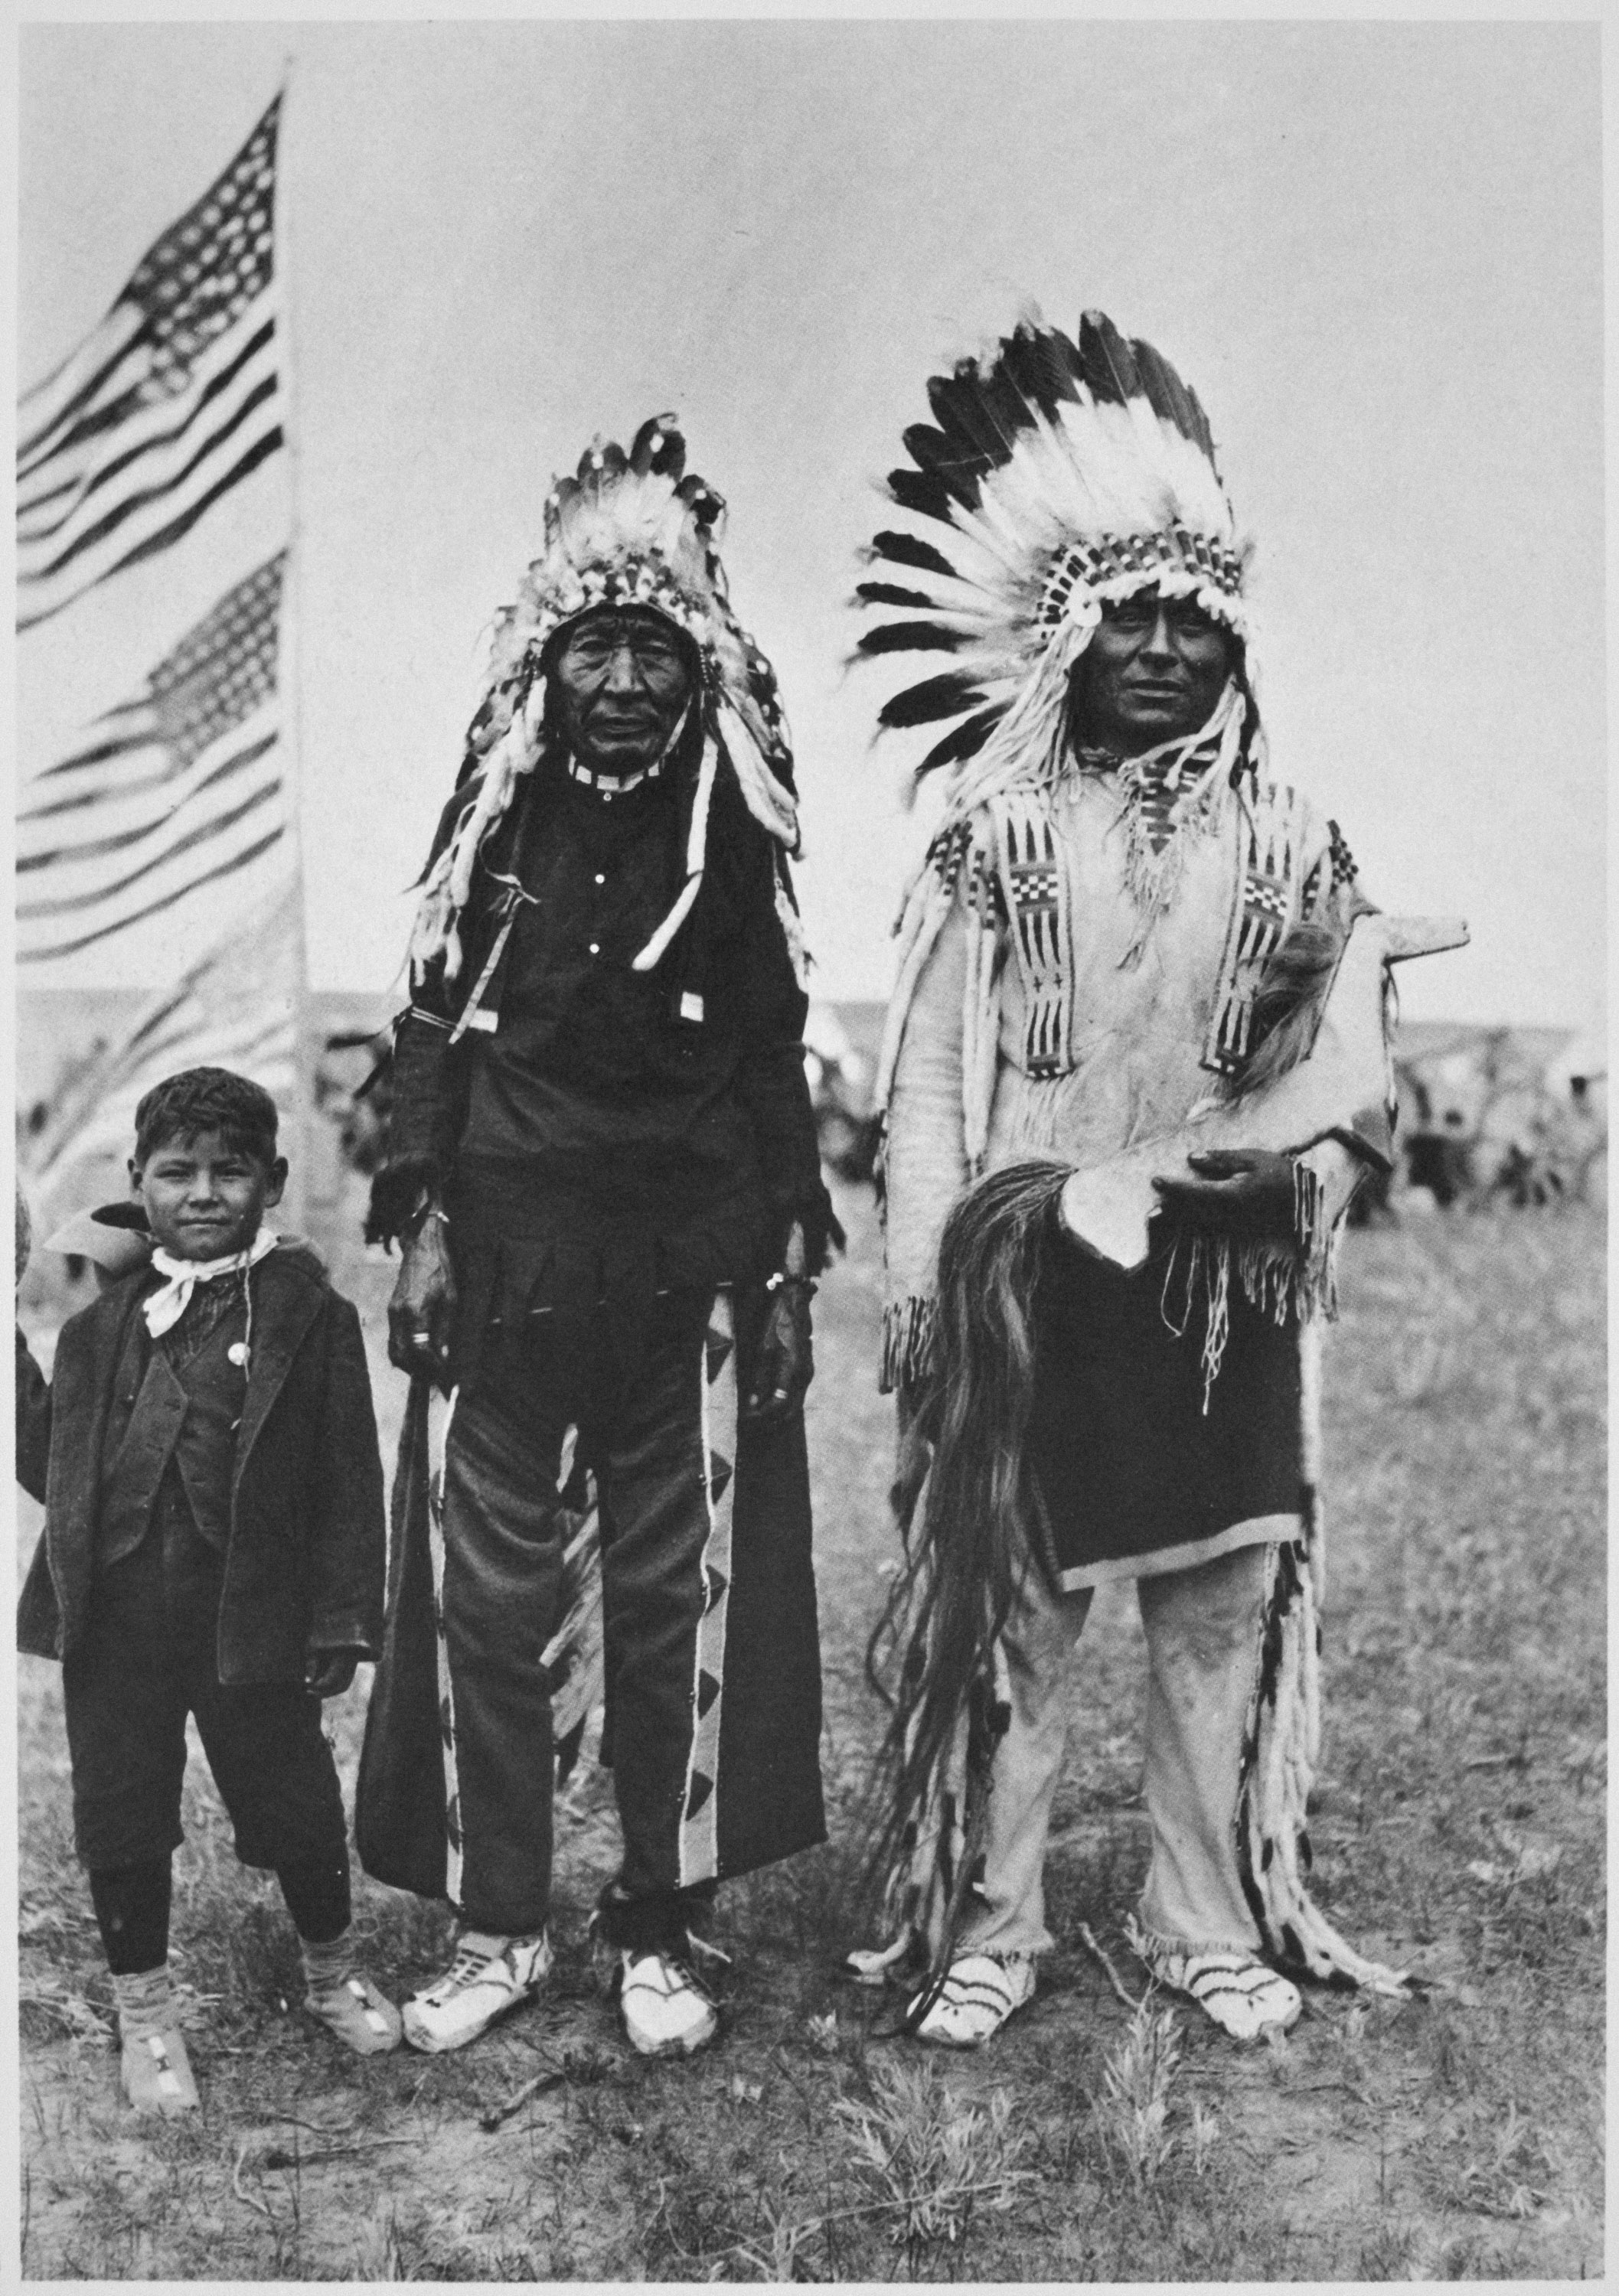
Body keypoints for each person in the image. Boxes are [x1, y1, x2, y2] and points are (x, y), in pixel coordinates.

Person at [856, 311, 1462, 2045]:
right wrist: (918, 1290)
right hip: (1024, 1266)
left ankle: (1202, 1916)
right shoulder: (995, 843)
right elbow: (930, 1083)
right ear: (1064, 644)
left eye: (1193, 626)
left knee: (1217, 1608)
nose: (1157, 651)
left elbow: (1340, 1086)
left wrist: (1288, 1184)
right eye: (1125, 620)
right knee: (1011, 1614)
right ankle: (990, 1928)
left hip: (1216, 1281)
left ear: (1236, 656)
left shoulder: (1294, 849)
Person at [360, 416, 833, 2060]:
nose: (621, 683)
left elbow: (772, 1065)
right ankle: (498, 1921)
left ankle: (659, 1924)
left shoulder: (735, 842)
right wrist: (416, 1224)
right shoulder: (494, 831)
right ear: (543, 673)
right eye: (594, 652)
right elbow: (429, 1037)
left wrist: (781, 1269)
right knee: (484, 1611)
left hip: (685, 1273)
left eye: (650, 651)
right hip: (501, 1269)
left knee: (671, 1603)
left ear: (697, 670)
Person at [15, 1068, 398, 2117]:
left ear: (273, 1181)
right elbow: (47, 1462)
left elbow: (348, 1483)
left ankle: (331, 1972)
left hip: (255, 1620)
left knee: (296, 1799)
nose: (202, 1192)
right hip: (118, 1621)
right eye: (176, 1172)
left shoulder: (307, 1314)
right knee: (122, 1815)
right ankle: (146, 2018)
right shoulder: (99, 1328)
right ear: (137, 1181)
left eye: (231, 1172)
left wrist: (340, 1617)